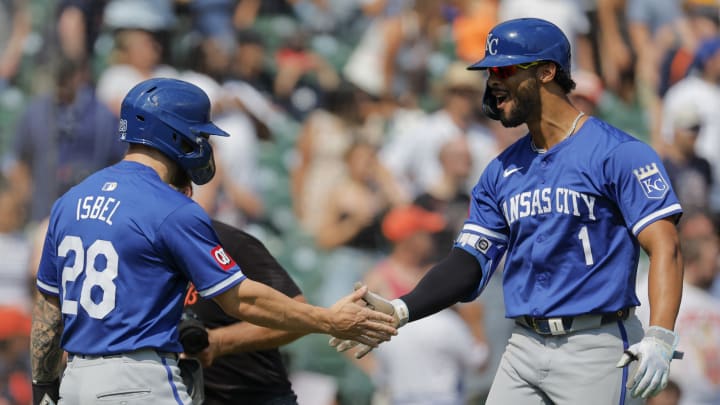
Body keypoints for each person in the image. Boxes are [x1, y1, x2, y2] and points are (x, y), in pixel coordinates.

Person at [332, 18, 685, 404]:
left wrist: (660, 334)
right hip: (524, 346)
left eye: (503, 69)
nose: (492, 82)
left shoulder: (617, 152)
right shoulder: (500, 171)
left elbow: (666, 246)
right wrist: (400, 309)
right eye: (488, 72)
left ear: (548, 71)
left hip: (595, 345)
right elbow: (469, 262)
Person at [29, 77, 397, 405]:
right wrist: (327, 320)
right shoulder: (171, 208)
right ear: (173, 134)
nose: (202, 144)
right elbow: (241, 298)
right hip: (140, 382)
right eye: (198, 134)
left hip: (75, 382)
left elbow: (48, 308)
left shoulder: (70, 202)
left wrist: (44, 384)